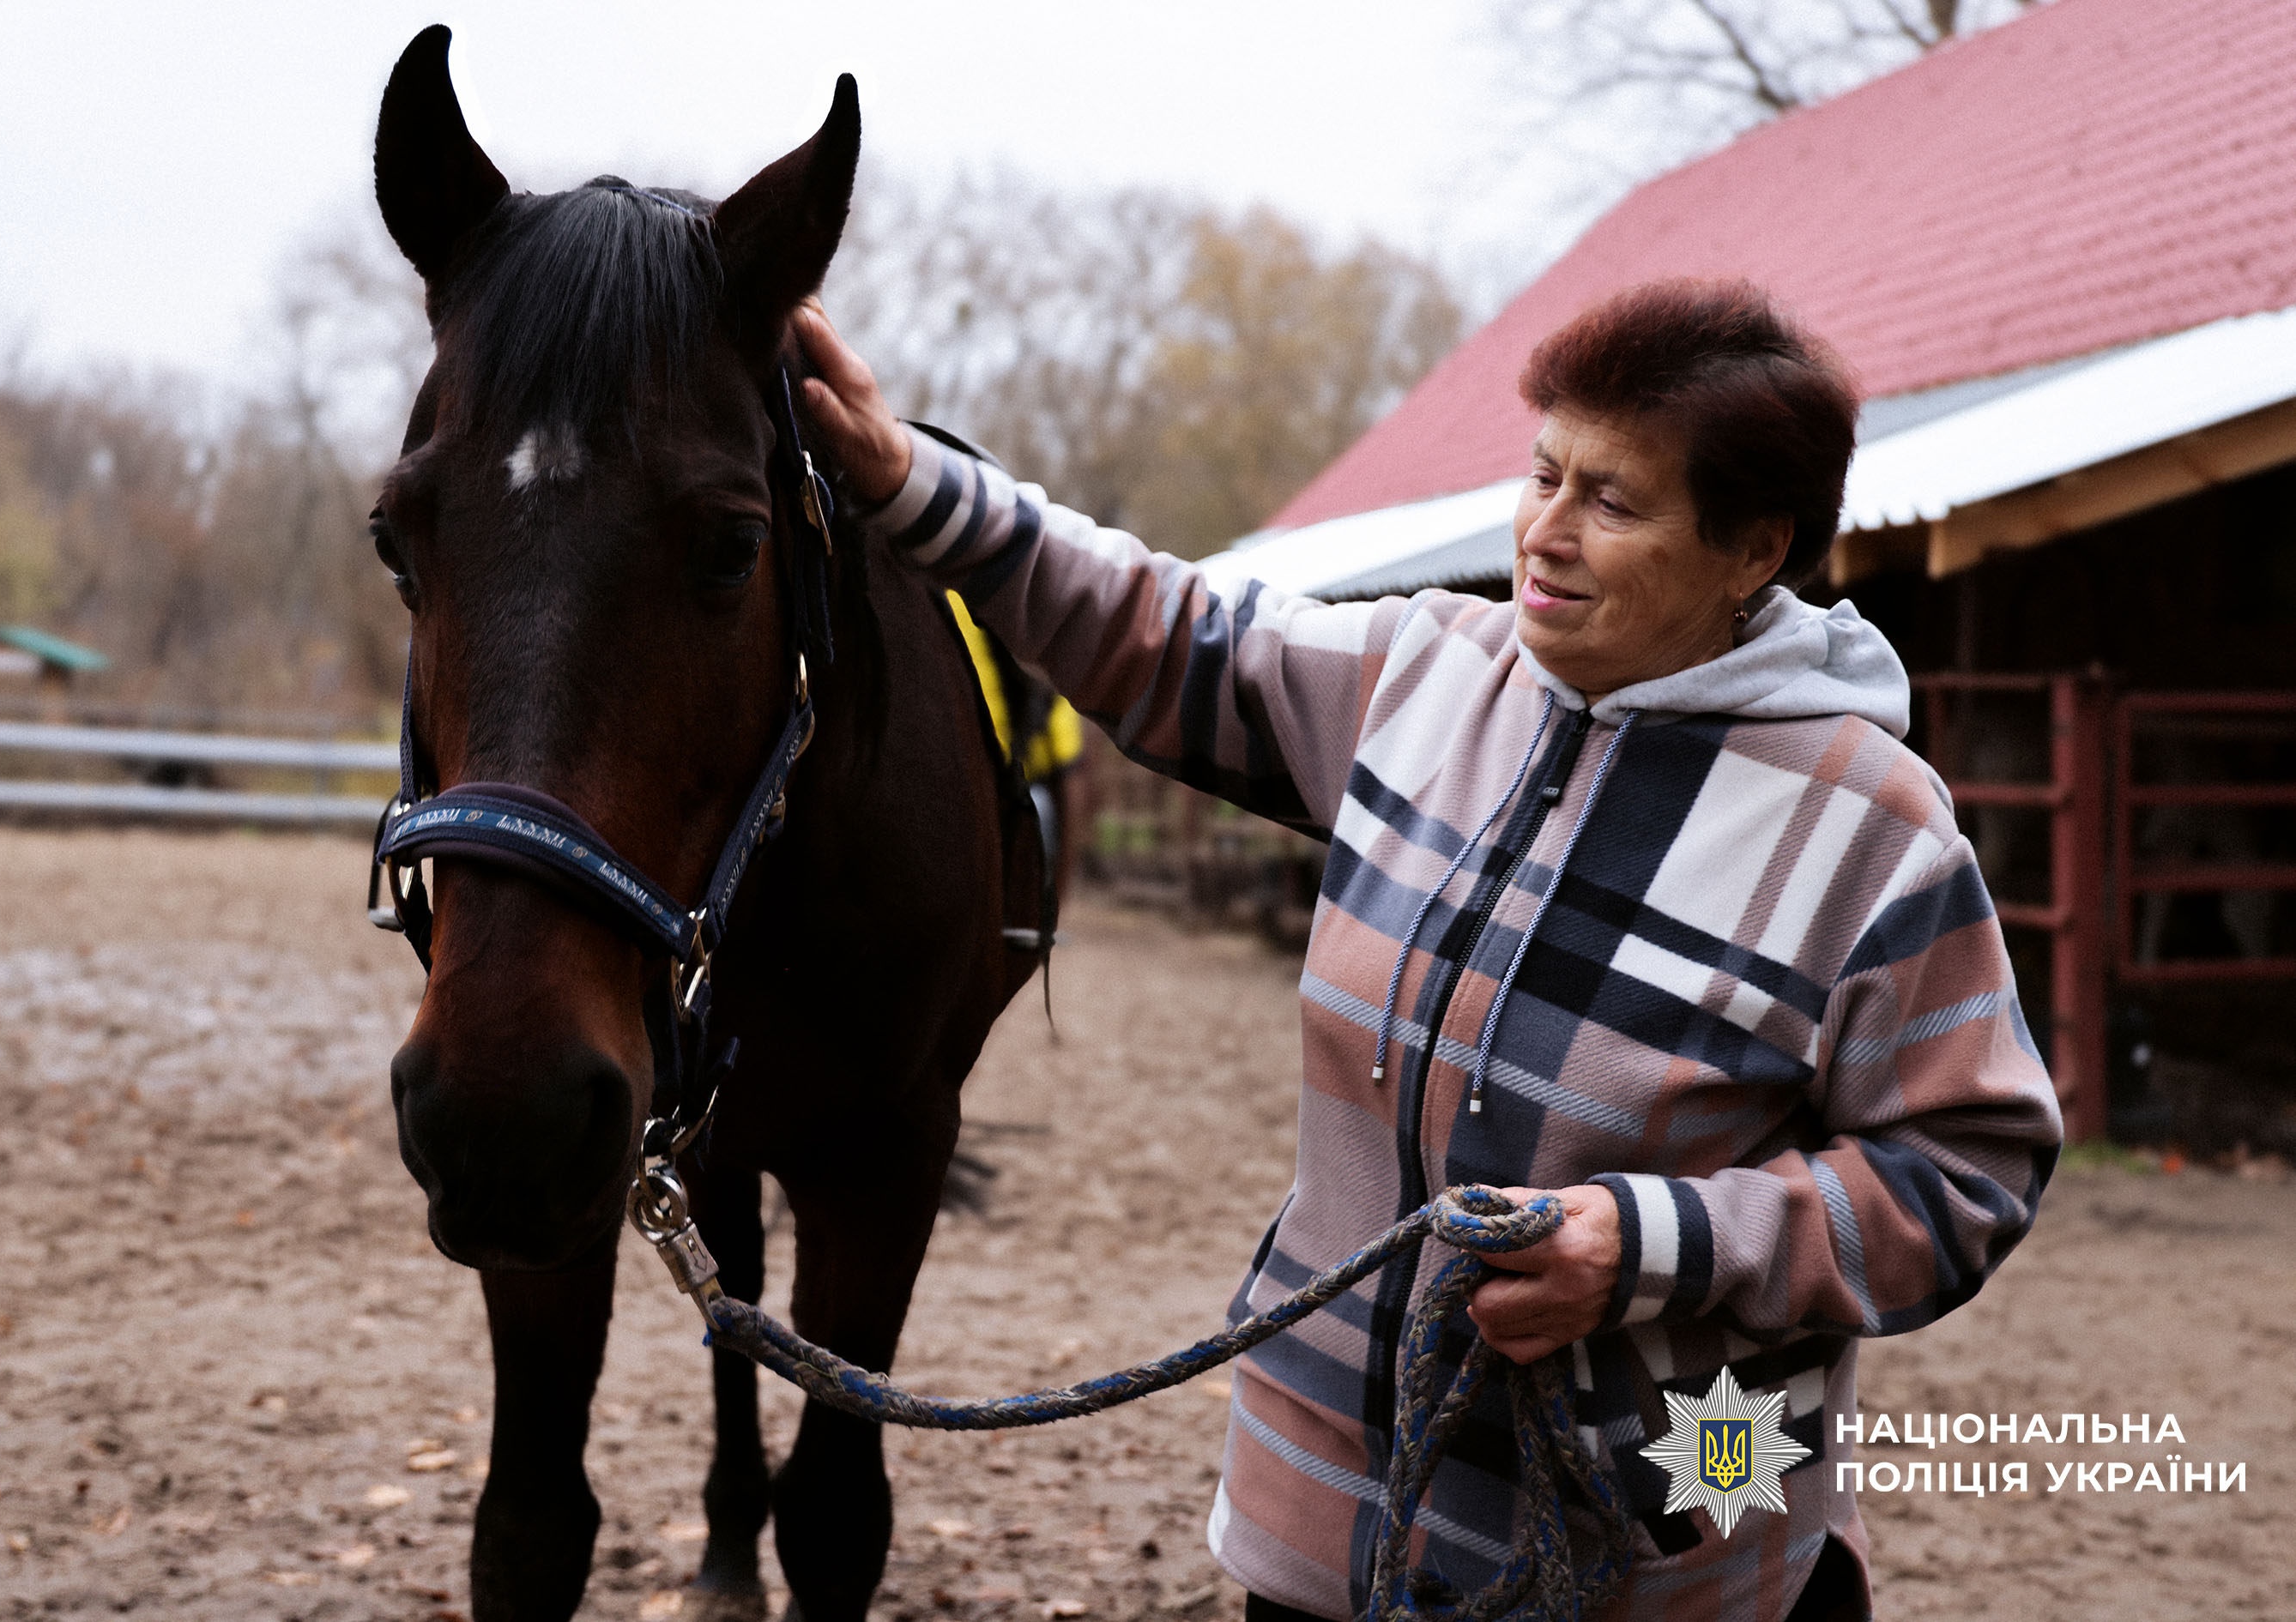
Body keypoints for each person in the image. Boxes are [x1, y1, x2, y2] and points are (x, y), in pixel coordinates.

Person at [795, 280, 2061, 1622]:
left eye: (1612, 502)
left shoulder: (1874, 830)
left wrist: (1648, 1242)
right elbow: (1156, 627)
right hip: (1330, 1509)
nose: (1544, 534)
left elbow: (1967, 1171)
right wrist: (905, 479)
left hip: (1675, 1519)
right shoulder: (1424, 673)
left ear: (1754, 549)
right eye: (1542, 475)